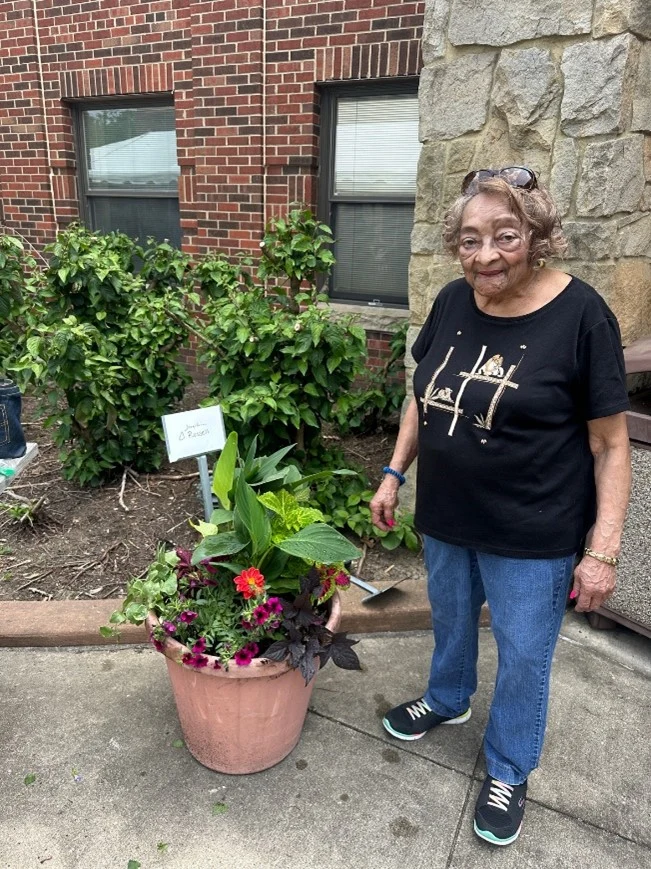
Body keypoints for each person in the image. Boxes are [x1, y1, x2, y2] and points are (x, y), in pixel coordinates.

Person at [370, 167, 631, 847]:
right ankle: (448, 698)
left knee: (522, 654)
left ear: (536, 237)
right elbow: (420, 394)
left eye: (504, 236)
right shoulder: (453, 301)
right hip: (448, 517)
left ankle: (510, 766)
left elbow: (609, 444)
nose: (485, 254)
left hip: (532, 531)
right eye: (470, 239)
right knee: (451, 620)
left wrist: (601, 549)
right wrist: (395, 472)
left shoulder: (581, 316)